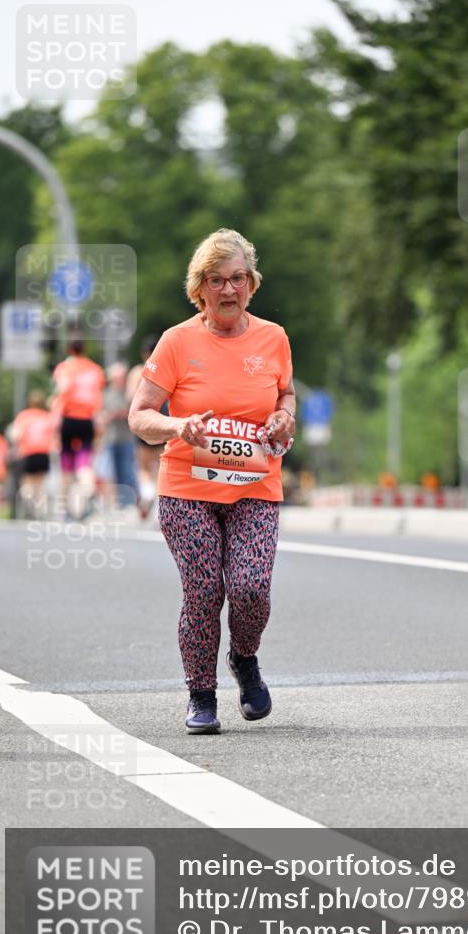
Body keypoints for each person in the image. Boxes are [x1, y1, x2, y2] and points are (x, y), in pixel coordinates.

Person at [128, 228, 295, 734]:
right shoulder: (177, 342)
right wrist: (177, 425)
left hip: (255, 488)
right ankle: (201, 695)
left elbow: (285, 396)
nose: (229, 290)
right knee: (204, 589)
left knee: (250, 588)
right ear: (199, 288)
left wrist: (286, 417)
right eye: (217, 280)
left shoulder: (273, 337)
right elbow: (139, 415)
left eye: (238, 278)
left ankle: (244, 657)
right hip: (187, 490)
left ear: (252, 284)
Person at [51, 337, 106, 517]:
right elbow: (98, 397)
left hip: (68, 418)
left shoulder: (65, 368)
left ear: (69, 350)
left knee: (66, 464)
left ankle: (64, 508)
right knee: (84, 461)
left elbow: (63, 388)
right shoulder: (95, 369)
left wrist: (54, 402)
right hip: (87, 420)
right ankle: (88, 489)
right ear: (84, 350)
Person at [126, 335, 169, 518]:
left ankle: (147, 493)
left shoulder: (138, 372)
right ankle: (160, 503)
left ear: (144, 353)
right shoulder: (168, 369)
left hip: (146, 421)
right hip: (165, 419)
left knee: (143, 466)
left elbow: (130, 397)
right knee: (161, 464)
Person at [10, 390, 58, 517]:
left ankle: (29, 504)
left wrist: (16, 447)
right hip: (44, 454)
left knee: (27, 482)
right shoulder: (47, 417)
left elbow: (16, 435)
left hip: (28, 452)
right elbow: (54, 437)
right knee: (40, 484)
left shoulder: (24, 416)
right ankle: (39, 509)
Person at [100, 362, 139, 508]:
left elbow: (132, 412)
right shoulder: (107, 393)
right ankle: (119, 500)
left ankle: (129, 501)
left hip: (126, 437)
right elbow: (101, 413)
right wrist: (106, 416)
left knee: (127, 470)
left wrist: (118, 414)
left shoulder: (129, 392)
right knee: (113, 471)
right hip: (111, 438)